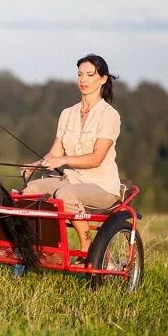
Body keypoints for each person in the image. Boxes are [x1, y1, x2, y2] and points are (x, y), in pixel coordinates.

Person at [22, 54, 121, 264]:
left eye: (89, 74)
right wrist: (36, 164)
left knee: (65, 193)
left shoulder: (109, 115)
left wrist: (64, 160)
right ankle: (42, 250)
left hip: (102, 187)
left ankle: (88, 250)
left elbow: (96, 158)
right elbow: (55, 153)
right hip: (71, 181)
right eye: (79, 75)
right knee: (29, 191)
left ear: (102, 79)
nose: (83, 80)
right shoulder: (67, 113)